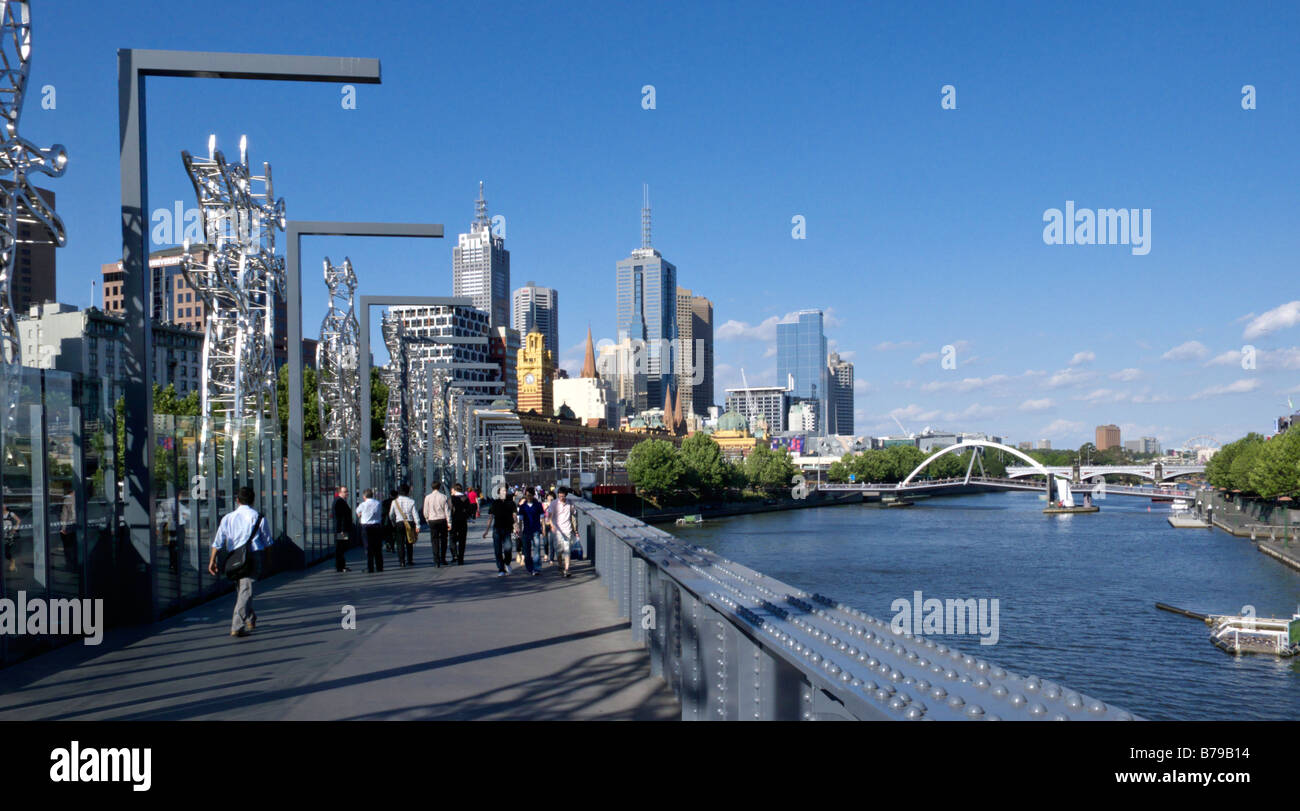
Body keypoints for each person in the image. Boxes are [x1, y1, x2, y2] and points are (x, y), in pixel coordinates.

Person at [207, 486, 272, 638]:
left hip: (233, 558)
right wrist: (269, 561)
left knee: (242, 589)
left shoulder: (227, 518)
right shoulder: (259, 518)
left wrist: (212, 561)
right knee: (245, 591)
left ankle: (250, 618)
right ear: (253, 500)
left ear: (237, 500)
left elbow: (217, 542)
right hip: (253, 556)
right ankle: (237, 625)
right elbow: (268, 542)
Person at [482, 491, 517, 576]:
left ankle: (507, 562)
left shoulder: (511, 503)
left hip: (507, 529)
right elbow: (490, 517)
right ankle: (501, 569)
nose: (504, 493)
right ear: (498, 493)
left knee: (508, 548)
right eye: (502, 492)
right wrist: (486, 531)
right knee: (498, 550)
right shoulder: (494, 503)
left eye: (505, 491)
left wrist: (516, 526)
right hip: (497, 529)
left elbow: (514, 515)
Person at [547, 487, 578, 578]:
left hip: (567, 530)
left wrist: (575, 529)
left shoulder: (570, 503)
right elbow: (549, 517)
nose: (561, 498)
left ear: (566, 496)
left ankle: (567, 569)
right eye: (560, 496)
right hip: (557, 531)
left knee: (567, 550)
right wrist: (552, 525)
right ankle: (560, 565)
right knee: (559, 551)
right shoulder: (554, 503)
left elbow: (574, 514)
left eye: (563, 496)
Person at [517, 488, 545, 576]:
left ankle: (536, 568)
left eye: (530, 495)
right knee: (527, 551)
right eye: (527, 495)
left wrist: (543, 528)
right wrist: (520, 531)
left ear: (533, 495)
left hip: (536, 530)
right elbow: (520, 520)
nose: (528, 497)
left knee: (537, 550)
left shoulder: (538, 505)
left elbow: (542, 518)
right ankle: (530, 567)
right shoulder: (523, 506)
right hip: (526, 531)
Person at [356, 489, 384, 573]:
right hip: (377, 526)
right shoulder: (378, 503)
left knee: (368, 548)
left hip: (366, 527)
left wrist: (362, 515)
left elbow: (358, 513)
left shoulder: (363, 504)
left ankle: (370, 567)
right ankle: (379, 566)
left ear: (364, 496)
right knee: (377, 547)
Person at [390, 484, 418, 567]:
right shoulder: (411, 501)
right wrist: (418, 525)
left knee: (400, 543)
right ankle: (410, 560)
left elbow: (391, 514)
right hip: (410, 523)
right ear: (408, 492)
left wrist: (394, 523)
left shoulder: (394, 502)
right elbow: (415, 514)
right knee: (410, 541)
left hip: (399, 523)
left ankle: (402, 561)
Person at [423, 481, 450, 566]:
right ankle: (443, 558)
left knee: (434, 540)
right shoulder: (443, 497)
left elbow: (425, 511)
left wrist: (427, 519)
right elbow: (447, 511)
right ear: (439, 487)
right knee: (443, 539)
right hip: (442, 519)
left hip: (432, 520)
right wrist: (449, 522)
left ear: (432, 487)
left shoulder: (427, 497)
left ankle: (436, 560)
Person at [448, 483, 471, 565]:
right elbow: (469, 511)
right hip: (463, 521)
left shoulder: (451, 499)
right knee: (462, 540)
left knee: (452, 538)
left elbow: (449, 510)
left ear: (455, 489)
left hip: (454, 521)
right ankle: (461, 558)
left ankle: (454, 555)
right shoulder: (466, 498)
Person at [333, 485, 353, 572]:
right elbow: (340, 517)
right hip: (341, 530)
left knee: (342, 547)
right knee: (341, 547)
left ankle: (341, 566)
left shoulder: (341, 501)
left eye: (347, 491)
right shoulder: (339, 502)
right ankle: (340, 566)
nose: (347, 493)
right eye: (345, 492)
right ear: (340, 492)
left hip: (342, 529)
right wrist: (342, 530)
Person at [381, 489, 397, 554]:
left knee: (387, 534)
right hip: (394, 520)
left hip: (386, 521)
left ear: (390, 495)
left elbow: (383, 512)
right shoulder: (396, 502)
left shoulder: (384, 502)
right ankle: (392, 546)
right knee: (393, 534)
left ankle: (388, 544)